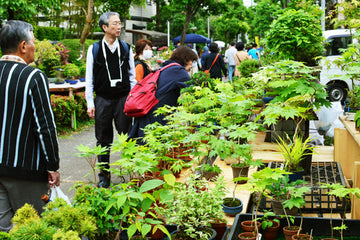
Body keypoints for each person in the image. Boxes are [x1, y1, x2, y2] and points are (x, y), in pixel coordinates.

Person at [0, 20, 60, 232]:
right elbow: (45, 126)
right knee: (35, 229)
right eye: (34, 42)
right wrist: (53, 165)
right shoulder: (33, 77)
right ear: (23, 46)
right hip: (26, 170)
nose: (35, 46)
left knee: (5, 230)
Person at [85, 12, 136, 188]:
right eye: (115, 23)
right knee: (103, 138)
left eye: (120, 23)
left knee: (127, 136)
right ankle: (104, 175)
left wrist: (133, 97)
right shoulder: (95, 49)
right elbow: (89, 78)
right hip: (103, 99)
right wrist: (90, 103)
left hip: (123, 98)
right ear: (104, 27)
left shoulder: (126, 48)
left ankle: (132, 172)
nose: (119, 26)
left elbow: (132, 76)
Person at [129, 46, 197, 141]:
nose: (191, 66)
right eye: (192, 61)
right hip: (157, 116)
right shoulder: (178, 71)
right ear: (185, 59)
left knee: (144, 147)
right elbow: (195, 92)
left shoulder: (166, 67)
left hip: (149, 110)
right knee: (155, 148)